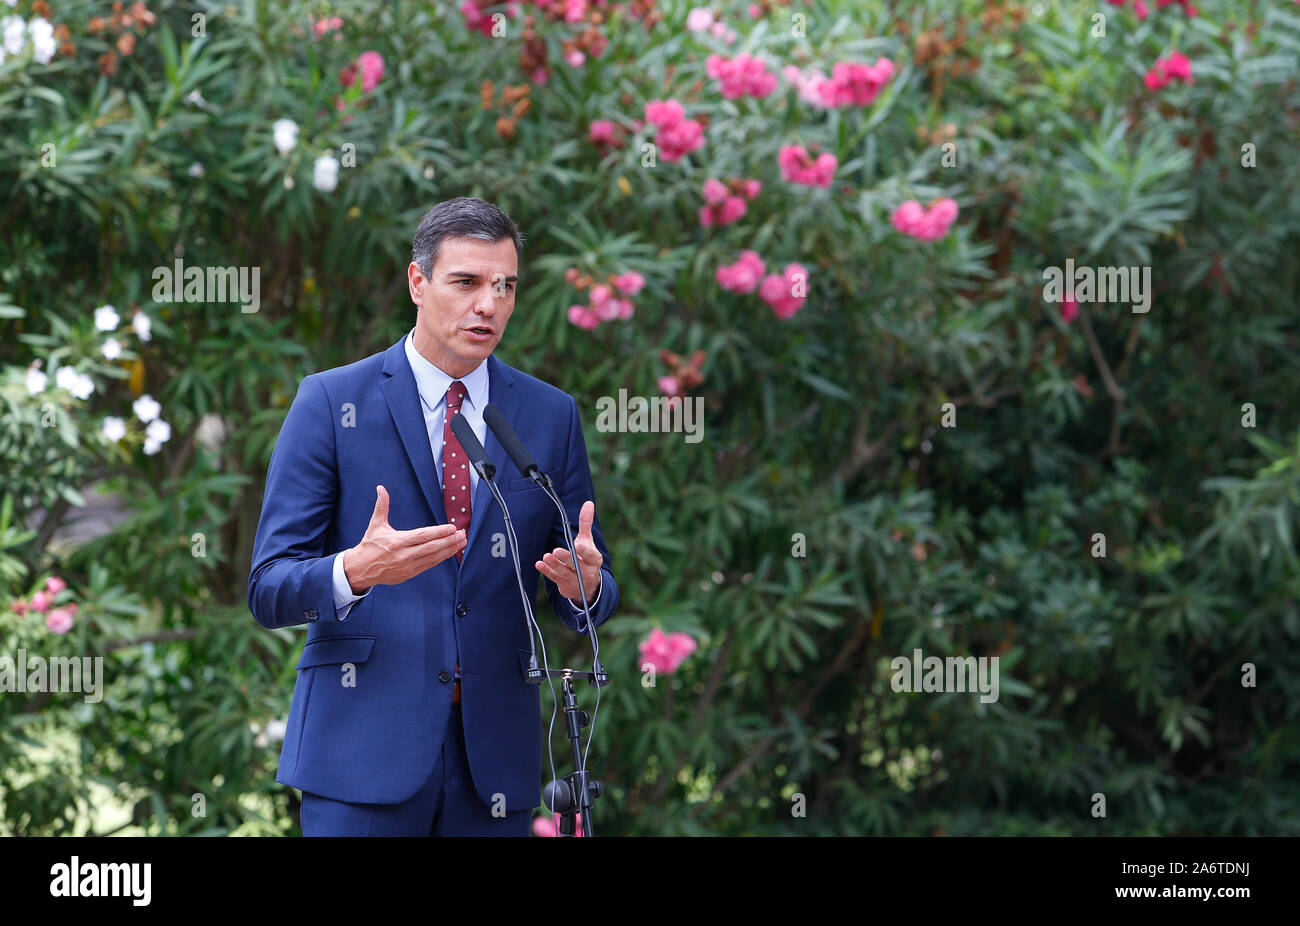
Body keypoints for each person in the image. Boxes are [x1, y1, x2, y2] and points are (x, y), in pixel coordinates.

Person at [247, 197, 619, 836]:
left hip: (494, 765)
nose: (489, 305)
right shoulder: (331, 402)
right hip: (361, 756)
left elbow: (589, 592)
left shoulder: (548, 416)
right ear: (417, 283)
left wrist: (583, 585)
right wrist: (354, 572)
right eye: (467, 282)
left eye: (504, 286)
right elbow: (268, 590)